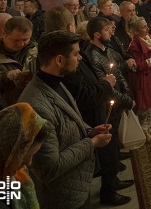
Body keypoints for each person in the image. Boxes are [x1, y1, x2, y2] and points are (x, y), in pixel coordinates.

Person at [18, 31, 113, 209]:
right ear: (59, 60)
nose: (80, 59)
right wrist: (91, 143)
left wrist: (88, 130)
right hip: (62, 196)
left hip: (76, 184)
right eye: (76, 54)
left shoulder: (56, 82)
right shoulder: (36, 105)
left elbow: (68, 119)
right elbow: (49, 168)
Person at [0, 17, 38, 107]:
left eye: (25, 39)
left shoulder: (38, 52)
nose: (21, 44)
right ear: (4, 33)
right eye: (16, 40)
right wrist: (4, 76)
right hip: (8, 108)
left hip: (36, 105)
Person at [127, 17, 151, 143]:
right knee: (144, 106)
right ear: (136, 31)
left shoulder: (148, 39)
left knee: (150, 105)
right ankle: (143, 131)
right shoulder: (135, 46)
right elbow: (137, 66)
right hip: (142, 79)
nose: (147, 28)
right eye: (143, 27)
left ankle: (149, 127)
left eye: (147, 25)